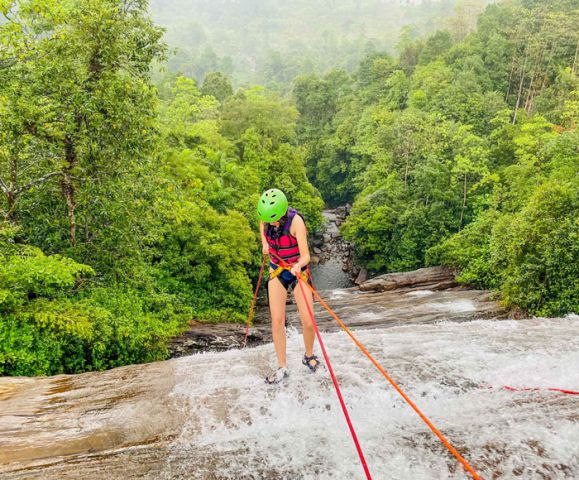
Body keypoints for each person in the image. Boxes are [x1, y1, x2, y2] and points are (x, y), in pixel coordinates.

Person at [257, 188, 322, 384]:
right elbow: (262, 224)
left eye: (274, 220)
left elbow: (306, 256)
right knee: (277, 321)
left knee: (308, 321)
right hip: (277, 270)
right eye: (269, 220)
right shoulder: (266, 218)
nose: (272, 224)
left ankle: (309, 356)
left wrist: (297, 265)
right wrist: (264, 244)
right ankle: (282, 366)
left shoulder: (296, 222)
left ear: (283, 212)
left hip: (297, 271)